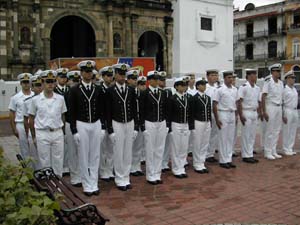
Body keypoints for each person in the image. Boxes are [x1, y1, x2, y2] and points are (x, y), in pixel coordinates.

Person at [69, 60, 106, 196]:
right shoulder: (74, 90)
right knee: (84, 155)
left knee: (95, 155)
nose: (88, 74)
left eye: (90, 71)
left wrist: (103, 127)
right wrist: (74, 130)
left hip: (95, 123)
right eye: (86, 71)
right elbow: (71, 112)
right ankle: (86, 185)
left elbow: (102, 109)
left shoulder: (98, 89)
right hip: (82, 124)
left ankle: (94, 183)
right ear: (81, 73)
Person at [105, 63, 138, 191]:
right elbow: (107, 112)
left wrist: (135, 127)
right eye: (119, 74)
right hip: (117, 122)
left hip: (129, 122)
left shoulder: (130, 90)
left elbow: (134, 109)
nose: (122, 76)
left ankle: (126, 177)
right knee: (118, 152)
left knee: (127, 151)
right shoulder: (110, 91)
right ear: (115, 75)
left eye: (124, 74)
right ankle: (119, 178)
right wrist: (110, 130)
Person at [28, 70, 67, 177]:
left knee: (58, 160)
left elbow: (63, 115)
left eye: (52, 81)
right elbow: (31, 118)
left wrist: (62, 132)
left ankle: (59, 185)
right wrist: (34, 136)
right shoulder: (35, 100)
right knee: (45, 161)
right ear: (42, 82)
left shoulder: (60, 98)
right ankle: (49, 185)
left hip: (57, 131)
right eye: (47, 81)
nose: (50, 84)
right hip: (42, 132)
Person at [139, 70, 168, 185]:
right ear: (149, 80)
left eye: (158, 79)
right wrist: (142, 126)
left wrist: (166, 123)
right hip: (149, 122)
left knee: (160, 149)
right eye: (154, 79)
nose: (157, 81)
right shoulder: (144, 93)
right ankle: (150, 175)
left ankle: (157, 173)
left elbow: (165, 108)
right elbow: (141, 110)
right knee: (150, 149)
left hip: (161, 122)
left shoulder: (162, 93)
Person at [167, 77, 192, 178]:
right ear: (176, 86)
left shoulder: (187, 98)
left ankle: (181, 167)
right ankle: (176, 169)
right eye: (181, 85)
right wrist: (170, 128)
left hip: (185, 124)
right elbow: (169, 114)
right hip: (176, 124)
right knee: (176, 147)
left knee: (184, 147)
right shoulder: (172, 99)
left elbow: (189, 113)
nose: (184, 87)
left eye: (185, 85)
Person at [213, 70, 238, 169]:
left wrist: (236, 117)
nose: (231, 79)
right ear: (224, 78)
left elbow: (236, 103)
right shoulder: (219, 89)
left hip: (232, 114)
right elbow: (214, 104)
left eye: (232, 77)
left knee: (230, 138)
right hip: (223, 113)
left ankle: (228, 159)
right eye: (229, 77)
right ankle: (223, 160)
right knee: (223, 138)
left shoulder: (234, 89)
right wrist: (217, 119)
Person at [237, 69, 261, 164]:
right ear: (249, 76)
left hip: (254, 112)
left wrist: (259, 112)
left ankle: (250, 153)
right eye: (254, 75)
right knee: (246, 134)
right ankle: (246, 155)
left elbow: (258, 102)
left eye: (256, 74)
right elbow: (239, 102)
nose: (255, 77)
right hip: (246, 112)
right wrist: (241, 114)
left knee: (252, 135)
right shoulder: (244, 87)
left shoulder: (257, 88)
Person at [9, 73, 34, 159]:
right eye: (24, 82)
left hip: (32, 124)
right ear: (20, 83)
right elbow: (12, 113)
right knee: (24, 147)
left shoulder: (35, 95)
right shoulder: (15, 97)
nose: (26, 84)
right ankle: (27, 169)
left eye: (27, 82)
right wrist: (14, 128)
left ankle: (36, 168)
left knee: (34, 147)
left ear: (30, 83)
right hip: (20, 124)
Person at [261, 63, 284, 160]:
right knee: (269, 130)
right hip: (270, 106)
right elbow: (263, 96)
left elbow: (281, 97)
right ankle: (267, 151)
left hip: (278, 107)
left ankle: (273, 150)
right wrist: (264, 111)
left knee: (276, 130)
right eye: (277, 71)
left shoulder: (281, 83)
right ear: (272, 72)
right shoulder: (268, 81)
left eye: (279, 71)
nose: (279, 73)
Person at [190, 78, 211, 173]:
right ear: (198, 86)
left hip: (206, 122)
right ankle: (197, 163)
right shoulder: (194, 98)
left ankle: (202, 162)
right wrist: (192, 125)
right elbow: (192, 112)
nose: (204, 86)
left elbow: (209, 111)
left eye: (205, 84)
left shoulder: (208, 98)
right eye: (202, 84)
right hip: (198, 122)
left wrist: (210, 121)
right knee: (197, 143)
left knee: (205, 142)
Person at [64, 70, 82, 187]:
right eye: (72, 80)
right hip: (69, 123)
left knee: (81, 151)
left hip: (80, 124)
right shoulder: (65, 94)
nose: (74, 83)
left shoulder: (80, 92)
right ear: (68, 81)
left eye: (77, 80)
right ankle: (75, 176)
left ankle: (81, 174)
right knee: (72, 151)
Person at [126, 70, 145, 177]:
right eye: (133, 79)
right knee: (129, 147)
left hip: (139, 120)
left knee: (138, 146)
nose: (135, 81)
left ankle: (136, 166)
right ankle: (128, 167)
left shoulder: (140, 93)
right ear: (128, 80)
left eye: (135, 79)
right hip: (130, 121)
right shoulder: (127, 91)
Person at [23, 73, 43, 169]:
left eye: (41, 85)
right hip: (33, 130)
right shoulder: (27, 101)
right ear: (32, 87)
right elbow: (25, 119)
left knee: (45, 156)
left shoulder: (49, 99)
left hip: (44, 130)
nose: (40, 88)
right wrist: (27, 134)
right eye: (37, 85)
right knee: (35, 155)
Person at [98, 66, 115, 182]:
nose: (109, 78)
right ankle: (103, 171)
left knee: (111, 148)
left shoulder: (114, 89)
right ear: (103, 77)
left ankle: (110, 169)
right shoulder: (99, 89)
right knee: (102, 148)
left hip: (113, 121)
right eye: (107, 76)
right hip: (102, 121)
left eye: (111, 76)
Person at [282, 70, 298, 156]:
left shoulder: (294, 89)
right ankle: (285, 148)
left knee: (293, 130)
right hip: (287, 110)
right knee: (287, 130)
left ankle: (290, 148)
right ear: (287, 79)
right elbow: (282, 102)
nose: (293, 79)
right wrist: (283, 114)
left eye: (294, 78)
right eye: (292, 78)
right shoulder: (284, 89)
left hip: (295, 110)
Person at [205, 69, 219, 163]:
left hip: (216, 113)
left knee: (214, 134)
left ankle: (211, 153)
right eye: (213, 75)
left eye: (216, 75)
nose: (215, 77)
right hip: (207, 113)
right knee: (206, 135)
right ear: (208, 76)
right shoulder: (204, 87)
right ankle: (205, 154)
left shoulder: (218, 87)